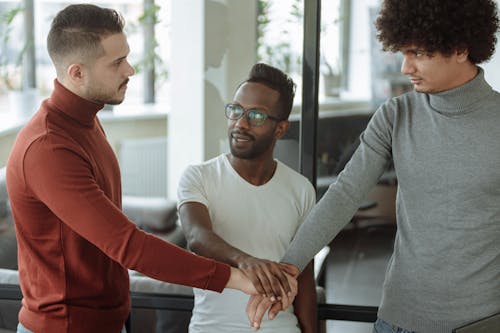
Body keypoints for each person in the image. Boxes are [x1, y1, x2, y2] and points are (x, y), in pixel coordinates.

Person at [247, 0, 500, 332]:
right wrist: (288, 268)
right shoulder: (396, 116)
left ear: (460, 48)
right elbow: (344, 194)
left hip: (481, 323)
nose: (405, 67)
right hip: (398, 321)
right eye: (403, 52)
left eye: (419, 54)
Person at [5, 4, 257, 333]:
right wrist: (235, 278)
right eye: (117, 63)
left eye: (126, 57)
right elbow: (128, 246)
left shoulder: (85, 122)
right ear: (77, 73)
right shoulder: (48, 148)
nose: (130, 70)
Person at [177, 63, 317, 333]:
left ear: (280, 129)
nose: (240, 123)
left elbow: (306, 276)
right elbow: (197, 236)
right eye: (236, 111)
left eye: (256, 116)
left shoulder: (301, 189)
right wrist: (247, 261)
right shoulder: (198, 177)